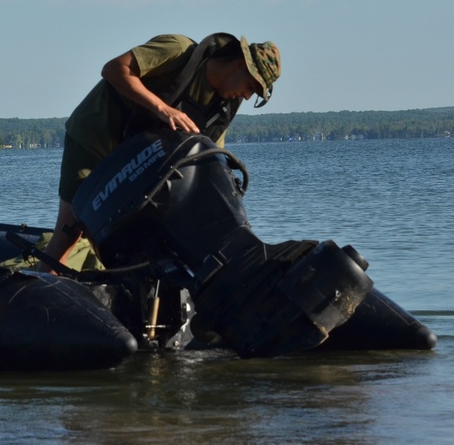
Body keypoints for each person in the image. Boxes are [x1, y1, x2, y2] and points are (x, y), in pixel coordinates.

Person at [40, 33, 281, 271]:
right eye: (251, 86)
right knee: (70, 231)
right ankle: (41, 292)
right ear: (240, 65)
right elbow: (113, 69)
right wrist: (163, 109)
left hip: (136, 162)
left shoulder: (224, 106)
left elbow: (208, 158)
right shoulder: (179, 50)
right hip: (95, 135)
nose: (248, 96)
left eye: (256, 94)